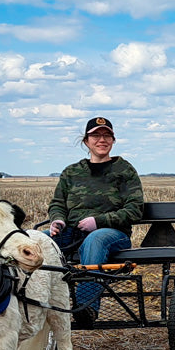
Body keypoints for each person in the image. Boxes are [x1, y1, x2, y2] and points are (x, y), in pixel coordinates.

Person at [44, 116, 145, 319]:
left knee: (95, 239)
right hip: (70, 234)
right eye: (96, 135)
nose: (102, 140)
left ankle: (86, 308)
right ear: (86, 141)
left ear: (113, 140)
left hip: (112, 235)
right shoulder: (71, 172)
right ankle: (35, 304)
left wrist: (99, 222)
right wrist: (57, 220)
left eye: (107, 135)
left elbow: (134, 210)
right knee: (37, 240)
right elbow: (57, 203)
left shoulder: (124, 170)